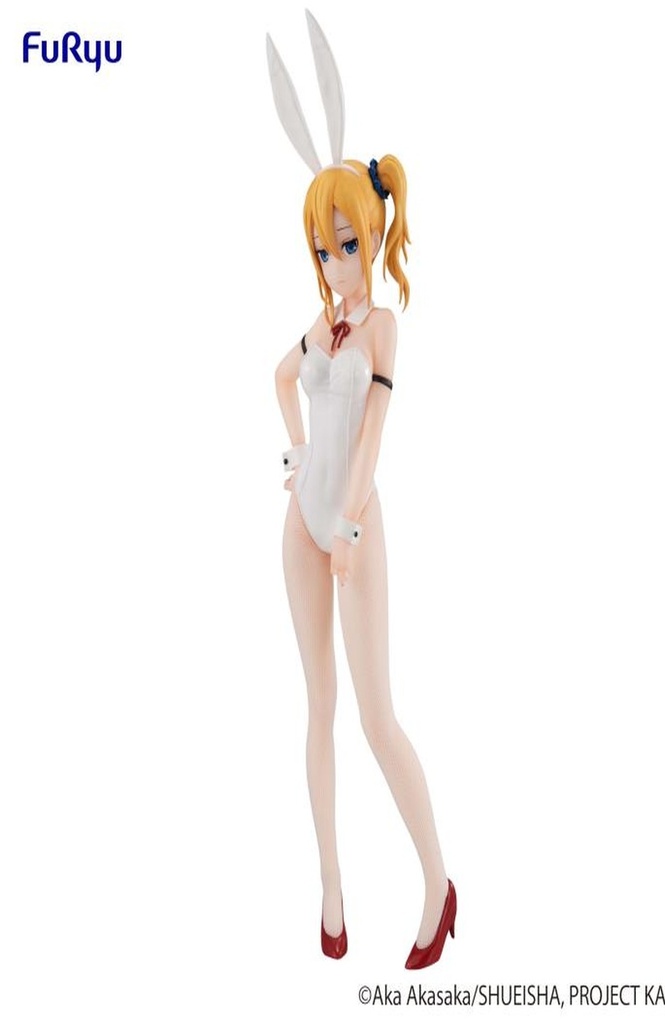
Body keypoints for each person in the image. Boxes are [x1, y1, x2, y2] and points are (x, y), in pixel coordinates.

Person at [268, 14, 456, 970]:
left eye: (345, 244)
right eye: (323, 249)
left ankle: (437, 881)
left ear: (373, 237)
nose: (335, 262)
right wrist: (297, 460)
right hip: (302, 523)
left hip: (353, 527)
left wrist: (345, 521)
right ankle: (332, 883)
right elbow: (277, 377)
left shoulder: (380, 328)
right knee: (319, 706)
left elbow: (376, 433)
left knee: (377, 715)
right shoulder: (323, 324)